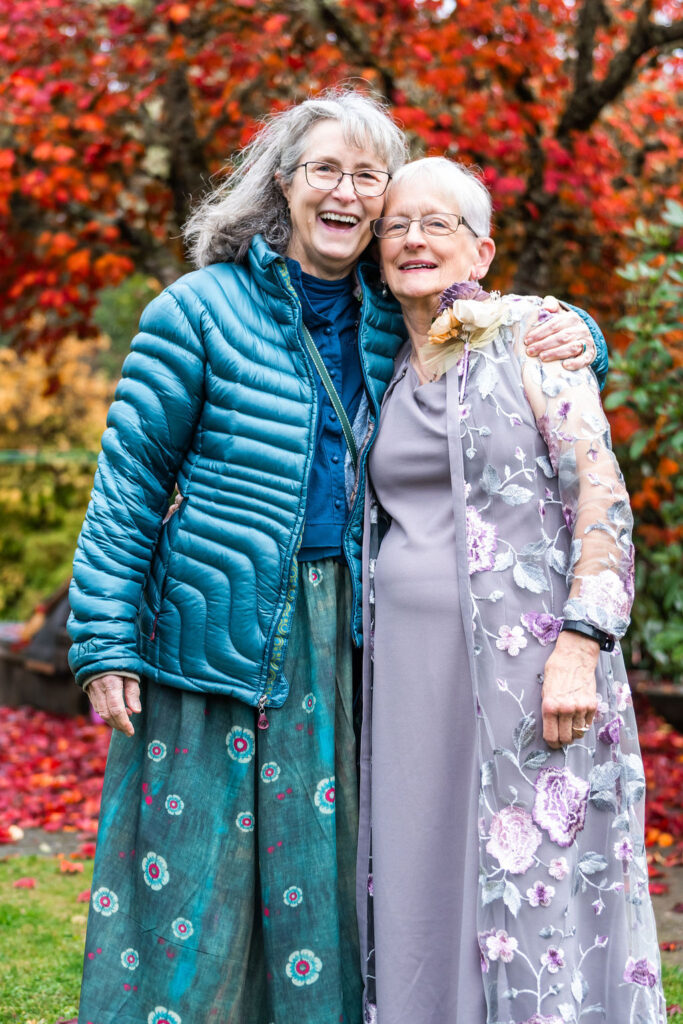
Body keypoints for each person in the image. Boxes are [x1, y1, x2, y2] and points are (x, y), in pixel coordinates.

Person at [67, 88, 606, 1024]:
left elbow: (498, 336)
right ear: (283, 185)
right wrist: (104, 637)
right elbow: (129, 483)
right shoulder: (196, 310)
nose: (347, 192)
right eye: (325, 169)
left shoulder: (389, 309)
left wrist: (581, 335)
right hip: (215, 632)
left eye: (369, 176)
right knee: (189, 890)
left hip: (350, 641)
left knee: (326, 896)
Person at [358, 157, 665, 1024]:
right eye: (395, 225)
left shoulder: (531, 336)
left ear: (481, 251)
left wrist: (580, 642)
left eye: (436, 224)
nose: (411, 238)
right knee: (416, 879)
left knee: (533, 892)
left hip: (531, 671)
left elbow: (601, 500)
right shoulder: (380, 359)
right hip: (408, 680)